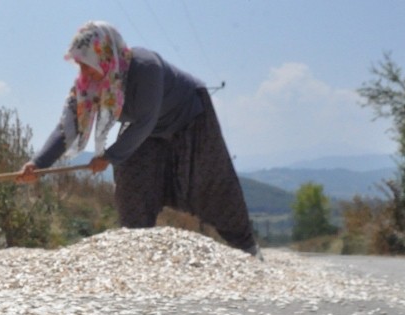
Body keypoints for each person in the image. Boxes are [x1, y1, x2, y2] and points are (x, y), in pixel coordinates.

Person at [18, 21, 262, 259]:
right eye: (80, 65)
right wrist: (38, 164)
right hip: (149, 131)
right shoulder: (86, 86)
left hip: (190, 118)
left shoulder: (145, 67)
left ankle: (248, 250)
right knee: (132, 180)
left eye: (88, 64)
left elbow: (145, 120)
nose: (84, 72)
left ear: (106, 57)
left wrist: (110, 156)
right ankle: (137, 247)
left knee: (212, 184)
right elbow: (67, 128)